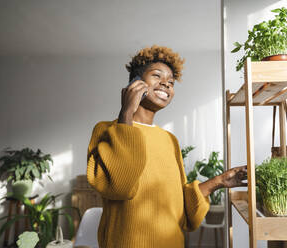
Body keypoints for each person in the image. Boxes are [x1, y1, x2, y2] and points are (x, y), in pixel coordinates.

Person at [86, 45, 247, 248]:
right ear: (135, 83)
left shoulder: (170, 140)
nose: (166, 84)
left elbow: (182, 212)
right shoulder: (106, 130)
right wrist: (126, 112)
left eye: (171, 81)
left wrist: (219, 181)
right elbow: (120, 187)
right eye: (157, 76)